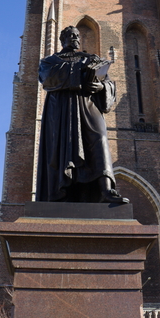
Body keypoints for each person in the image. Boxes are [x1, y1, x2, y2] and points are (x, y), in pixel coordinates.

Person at [36, 26, 128, 204]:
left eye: (77, 36)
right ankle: (61, 193)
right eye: (71, 35)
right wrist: (81, 70)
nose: (75, 38)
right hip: (61, 109)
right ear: (63, 39)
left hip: (88, 105)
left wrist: (101, 87)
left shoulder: (92, 59)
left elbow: (107, 82)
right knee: (61, 147)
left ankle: (106, 191)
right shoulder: (49, 61)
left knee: (99, 139)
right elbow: (48, 78)